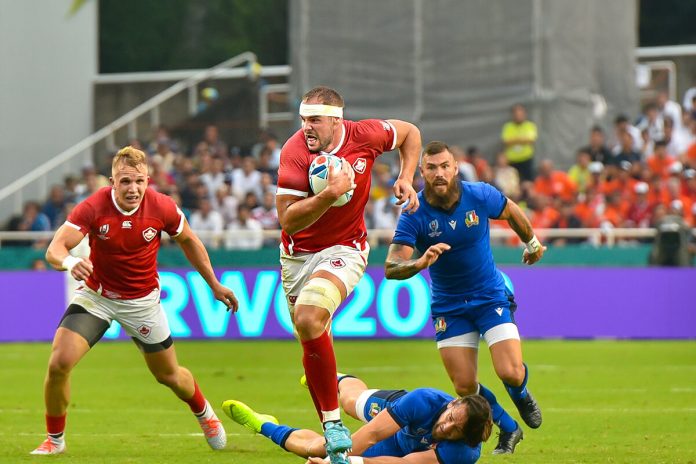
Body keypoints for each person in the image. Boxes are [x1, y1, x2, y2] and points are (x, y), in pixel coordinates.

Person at [31, 146, 239, 455]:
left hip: (141, 302)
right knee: (59, 363)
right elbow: (55, 249)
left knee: (168, 375)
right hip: (97, 296)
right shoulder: (92, 207)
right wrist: (70, 263)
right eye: (125, 181)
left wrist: (214, 284)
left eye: (139, 181)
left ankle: (204, 413)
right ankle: (55, 441)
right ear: (112, 182)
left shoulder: (162, 207)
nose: (134, 189)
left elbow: (190, 242)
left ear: (148, 180)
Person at [275, 86, 421, 463]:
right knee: (312, 334)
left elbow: (409, 133)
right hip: (297, 257)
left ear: (336, 120)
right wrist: (329, 194)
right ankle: (332, 429)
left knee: (309, 318)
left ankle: (335, 426)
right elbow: (288, 221)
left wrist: (407, 176)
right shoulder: (294, 152)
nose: (306, 127)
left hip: (346, 249)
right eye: (303, 119)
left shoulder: (364, 135)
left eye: (315, 120)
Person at [385, 141, 545, 454]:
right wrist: (419, 263)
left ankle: (521, 394)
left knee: (509, 372)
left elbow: (511, 210)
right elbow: (392, 266)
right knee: (464, 387)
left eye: (445, 166)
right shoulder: (414, 214)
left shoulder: (479, 194)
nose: (439, 173)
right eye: (431, 168)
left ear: (456, 168)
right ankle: (509, 427)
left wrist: (533, 243)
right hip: (449, 306)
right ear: (422, 172)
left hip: (489, 296)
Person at [222, 373, 493, 464]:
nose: (446, 427)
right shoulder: (423, 400)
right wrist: (335, 462)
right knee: (350, 402)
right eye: (450, 417)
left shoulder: (465, 452)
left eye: (455, 430)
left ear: (464, 437)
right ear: (453, 403)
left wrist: (341, 461)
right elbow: (372, 434)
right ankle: (334, 378)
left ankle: (262, 424)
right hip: (396, 413)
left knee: (318, 448)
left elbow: (404, 463)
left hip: (404, 450)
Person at [500, 103, 538, 182]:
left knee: (528, 181)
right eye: (516, 114)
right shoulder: (508, 126)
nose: (518, 116)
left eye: (520, 114)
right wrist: (522, 139)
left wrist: (514, 139)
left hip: (526, 159)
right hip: (512, 160)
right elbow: (506, 141)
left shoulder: (530, 125)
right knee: (514, 182)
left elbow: (531, 139)